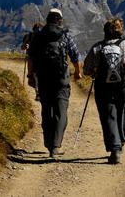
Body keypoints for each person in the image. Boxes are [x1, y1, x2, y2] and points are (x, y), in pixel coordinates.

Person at [83, 18, 125, 164]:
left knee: (108, 115)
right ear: (120, 30)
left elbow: (86, 70)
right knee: (123, 112)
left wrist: (95, 71)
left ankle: (115, 148)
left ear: (105, 31)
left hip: (103, 86)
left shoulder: (97, 47)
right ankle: (121, 141)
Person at [27, 9, 82, 158]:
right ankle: (56, 146)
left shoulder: (38, 36)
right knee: (61, 111)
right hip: (61, 79)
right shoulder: (65, 36)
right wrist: (77, 72)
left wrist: (30, 75)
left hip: (44, 79)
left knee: (46, 110)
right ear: (60, 21)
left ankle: (48, 144)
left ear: (47, 19)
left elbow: (30, 56)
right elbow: (76, 55)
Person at [22, 22, 44, 101]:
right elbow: (23, 47)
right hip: (41, 59)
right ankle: (40, 93)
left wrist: (26, 45)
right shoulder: (44, 36)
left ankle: (38, 93)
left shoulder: (30, 36)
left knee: (35, 76)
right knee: (38, 76)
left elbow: (23, 47)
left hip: (33, 59)